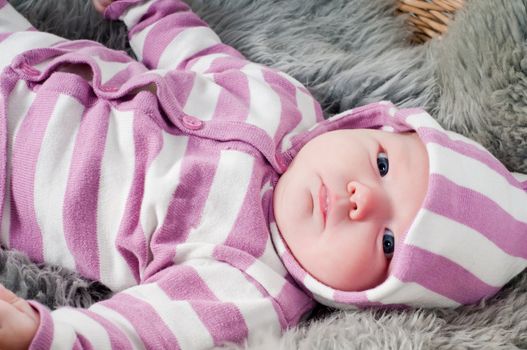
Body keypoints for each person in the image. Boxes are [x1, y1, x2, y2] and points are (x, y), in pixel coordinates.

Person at [0, 0, 525, 348]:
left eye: (388, 242)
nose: (361, 198)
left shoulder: (251, 290)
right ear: (372, 125)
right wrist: (147, 8)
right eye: (383, 165)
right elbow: (201, 57)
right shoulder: (286, 103)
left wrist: (40, 334)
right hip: (28, 53)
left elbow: (137, 334)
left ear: (367, 299)